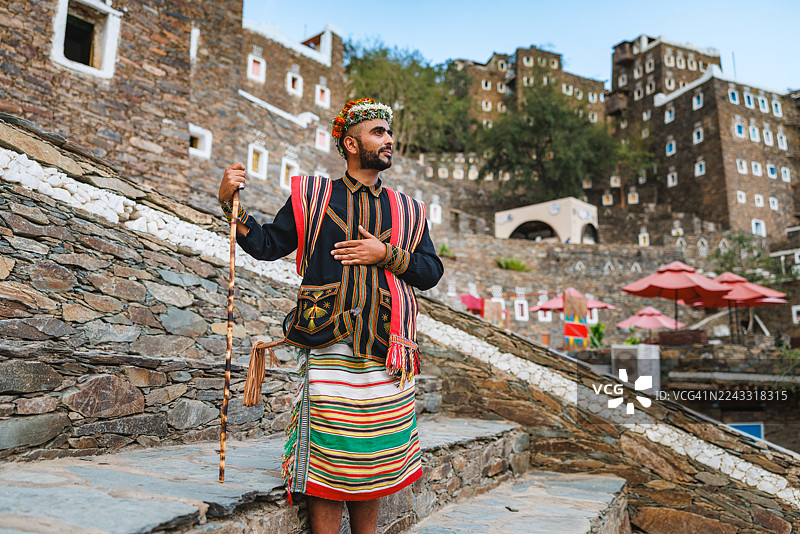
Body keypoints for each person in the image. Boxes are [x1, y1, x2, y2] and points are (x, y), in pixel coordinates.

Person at [218, 98, 444, 534]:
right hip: (329, 342)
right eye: (378, 132)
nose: (389, 140)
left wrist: (387, 254)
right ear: (350, 143)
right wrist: (232, 206)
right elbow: (267, 244)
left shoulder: (410, 211)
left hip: (387, 349)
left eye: (389, 133)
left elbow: (430, 271)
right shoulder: (314, 197)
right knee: (332, 458)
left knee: (375, 456)